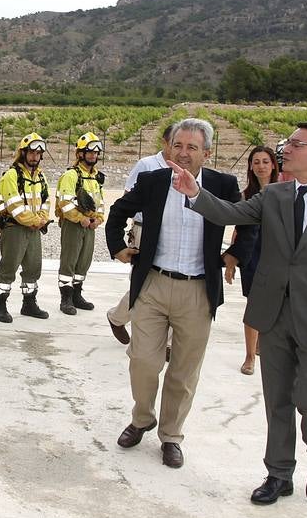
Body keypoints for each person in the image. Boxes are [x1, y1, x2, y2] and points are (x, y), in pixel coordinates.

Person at [178, 123, 307, 505]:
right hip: (274, 315)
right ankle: (279, 473)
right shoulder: (274, 195)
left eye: (296, 144)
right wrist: (195, 193)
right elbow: (230, 211)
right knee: (277, 401)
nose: (287, 149)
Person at [104, 118, 253, 469]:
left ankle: (171, 436)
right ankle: (142, 419)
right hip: (154, 283)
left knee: (184, 371)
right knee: (143, 361)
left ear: (207, 153)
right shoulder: (151, 181)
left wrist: (234, 254)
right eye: (177, 145)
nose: (183, 153)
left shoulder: (222, 184)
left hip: (198, 290)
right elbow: (117, 213)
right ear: (168, 147)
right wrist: (117, 247)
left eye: (192, 148)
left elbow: (248, 221)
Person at [106, 123, 174, 343]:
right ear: (165, 142)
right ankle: (118, 317)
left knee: (172, 282)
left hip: (171, 232)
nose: (182, 151)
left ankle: (168, 342)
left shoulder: (188, 169)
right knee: (144, 281)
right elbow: (127, 197)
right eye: (176, 143)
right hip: (145, 229)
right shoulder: (147, 165)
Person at [225, 145, 277, 375]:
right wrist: (233, 258)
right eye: (256, 162)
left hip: (277, 253)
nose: (261, 166)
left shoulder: (286, 191)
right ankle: (249, 356)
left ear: (273, 164)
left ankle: (262, 346)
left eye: (265, 161)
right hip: (253, 253)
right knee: (254, 304)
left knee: (276, 304)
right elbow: (239, 228)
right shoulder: (246, 195)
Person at [0, 133, 53, 323]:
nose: (35, 156)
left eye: (38, 153)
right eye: (32, 152)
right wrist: (36, 221)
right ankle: (0, 306)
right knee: (8, 267)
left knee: (33, 267)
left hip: (34, 228)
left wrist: (42, 218)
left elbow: (46, 200)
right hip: (14, 229)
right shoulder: (12, 175)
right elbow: (15, 207)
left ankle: (29, 303)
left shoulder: (40, 176)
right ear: (23, 153)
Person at [54, 133, 106, 316]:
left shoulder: (95, 178)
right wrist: (79, 218)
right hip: (74, 225)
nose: (93, 155)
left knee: (84, 261)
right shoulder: (71, 175)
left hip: (89, 226)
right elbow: (65, 203)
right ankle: (66, 299)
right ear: (80, 154)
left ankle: (77, 295)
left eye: (95, 152)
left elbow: (100, 202)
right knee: (69, 261)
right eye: (88, 152)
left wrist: (99, 218)